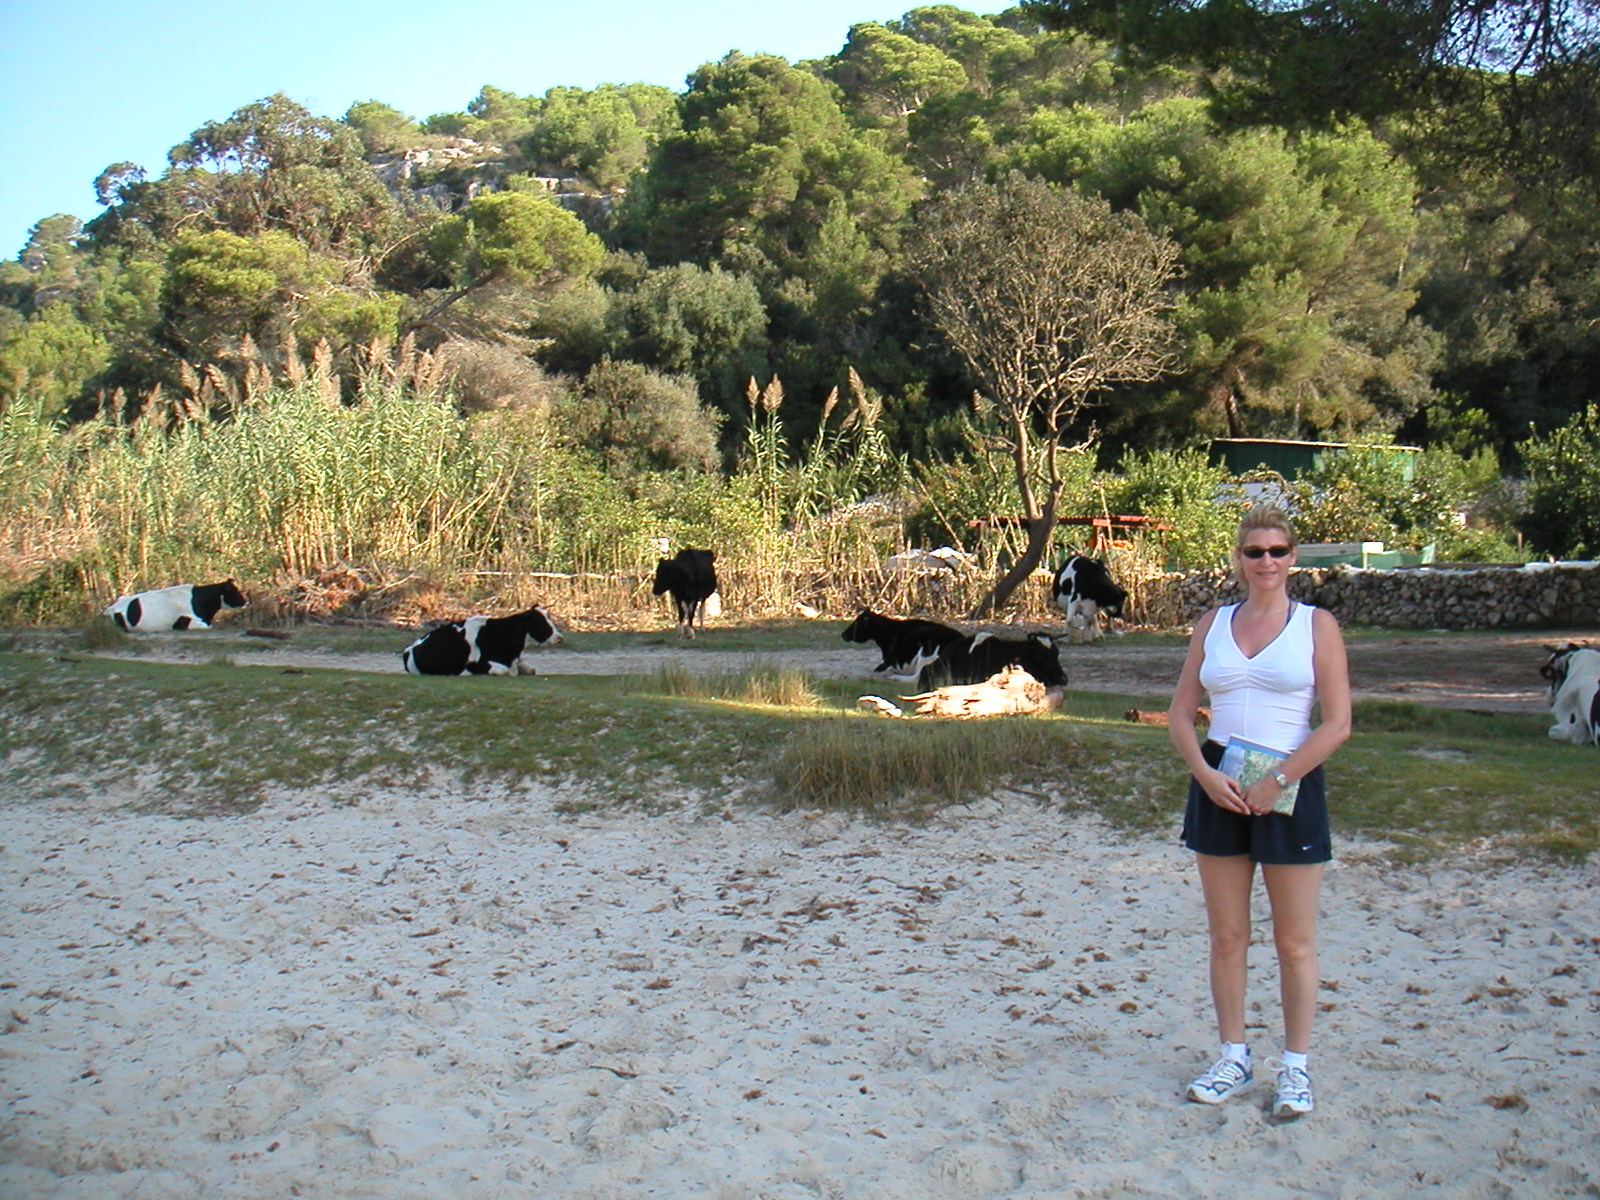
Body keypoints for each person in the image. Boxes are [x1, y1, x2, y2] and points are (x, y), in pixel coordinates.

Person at [1167, 503, 1351, 1118]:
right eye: (1255, 552)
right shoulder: (1213, 624)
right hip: (1220, 782)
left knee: (1294, 942)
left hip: (1288, 783)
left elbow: (1337, 723)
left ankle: (1295, 1067)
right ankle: (1233, 1056)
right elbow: (1181, 713)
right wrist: (1204, 773)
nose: (1266, 561)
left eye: (1277, 551)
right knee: (1227, 936)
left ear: (1292, 558)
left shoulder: (1316, 625)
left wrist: (1279, 779)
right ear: (1239, 559)